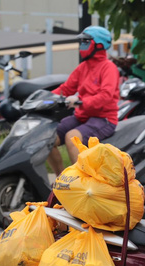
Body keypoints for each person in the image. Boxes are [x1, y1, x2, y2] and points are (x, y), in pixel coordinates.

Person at [47, 26, 120, 176]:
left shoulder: (109, 68)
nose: (82, 46)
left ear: (99, 45)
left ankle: (81, 181)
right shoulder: (83, 67)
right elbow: (65, 89)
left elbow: (105, 96)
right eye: (81, 42)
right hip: (82, 117)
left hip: (104, 119)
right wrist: (42, 97)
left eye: (85, 42)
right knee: (47, 139)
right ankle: (61, 180)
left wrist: (80, 100)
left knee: (72, 138)